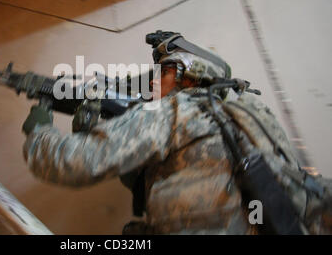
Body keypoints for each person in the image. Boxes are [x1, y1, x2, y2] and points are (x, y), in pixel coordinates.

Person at [21, 30, 331, 234]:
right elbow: (193, 178)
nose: (154, 83)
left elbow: (73, 163)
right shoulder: (251, 114)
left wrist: (40, 129)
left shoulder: (176, 111)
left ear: (192, 78)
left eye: (166, 72)